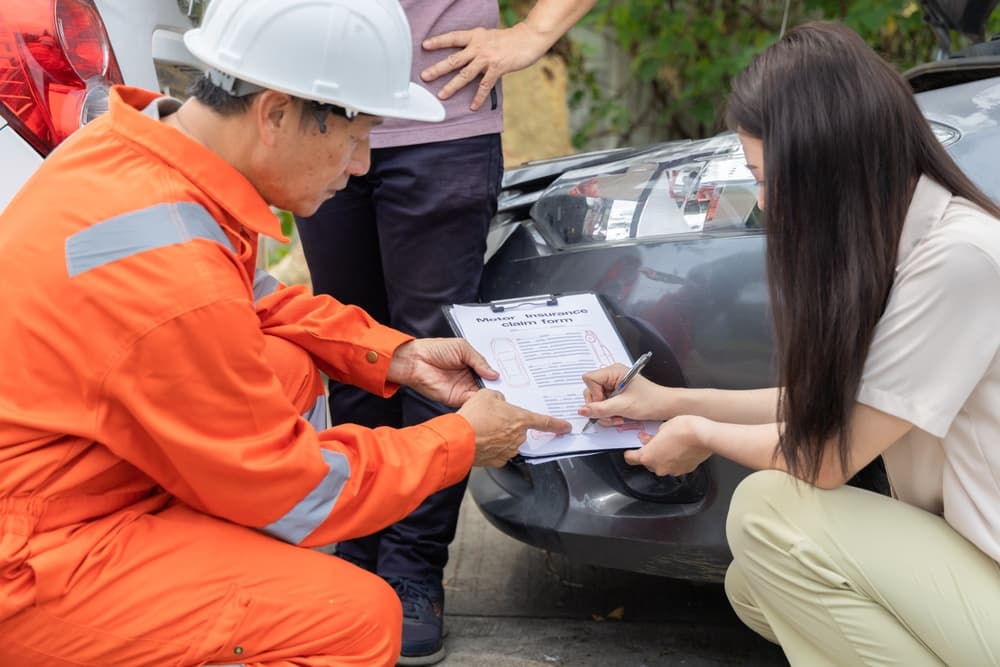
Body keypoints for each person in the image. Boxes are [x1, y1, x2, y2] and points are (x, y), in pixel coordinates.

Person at [0, 0, 572, 665]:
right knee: (355, 618)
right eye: (356, 137)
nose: (361, 165)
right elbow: (299, 489)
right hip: (35, 557)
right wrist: (461, 441)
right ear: (275, 113)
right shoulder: (173, 274)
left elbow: (259, 302)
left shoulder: (136, 154)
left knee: (288, 368)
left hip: (68, 474)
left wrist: (401, 356)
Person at [579, 22, 1000, 667]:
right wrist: (663, 401)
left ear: (832, 166)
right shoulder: (908, 238)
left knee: (769, 514)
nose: (768, 207)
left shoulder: (960, 258)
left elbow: (827, 455)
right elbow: (835, 403)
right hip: (972, 561)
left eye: (768, 179)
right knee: (755, 587)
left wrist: (700, 433)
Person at [294, 1, 596, 663]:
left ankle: (411, 569)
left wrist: (535, 32)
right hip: (313, 106)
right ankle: (357, 548)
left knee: (439, 362)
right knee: (353, 353)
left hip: (440, 119)